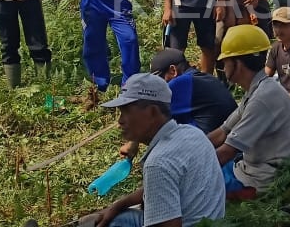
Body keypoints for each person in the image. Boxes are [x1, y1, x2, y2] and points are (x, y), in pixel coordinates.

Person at [89, 74, 226, 227]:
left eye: (126, 111)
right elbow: (160, 189)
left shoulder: (158, 163)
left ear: (153, 112)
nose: (120, 121)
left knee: (114, 223)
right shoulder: (192, 133)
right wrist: (118, 205)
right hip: (212, 222)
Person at [208, 25, 290, 199]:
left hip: (258, 181)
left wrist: (188, 169)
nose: (222, 66)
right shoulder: (257, 89)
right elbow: (222, 132)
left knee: (194, 189)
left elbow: (226, 152)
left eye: (225, 61)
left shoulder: (263, 98)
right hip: (247, 169)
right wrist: (191, 148)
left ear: (237, 63)